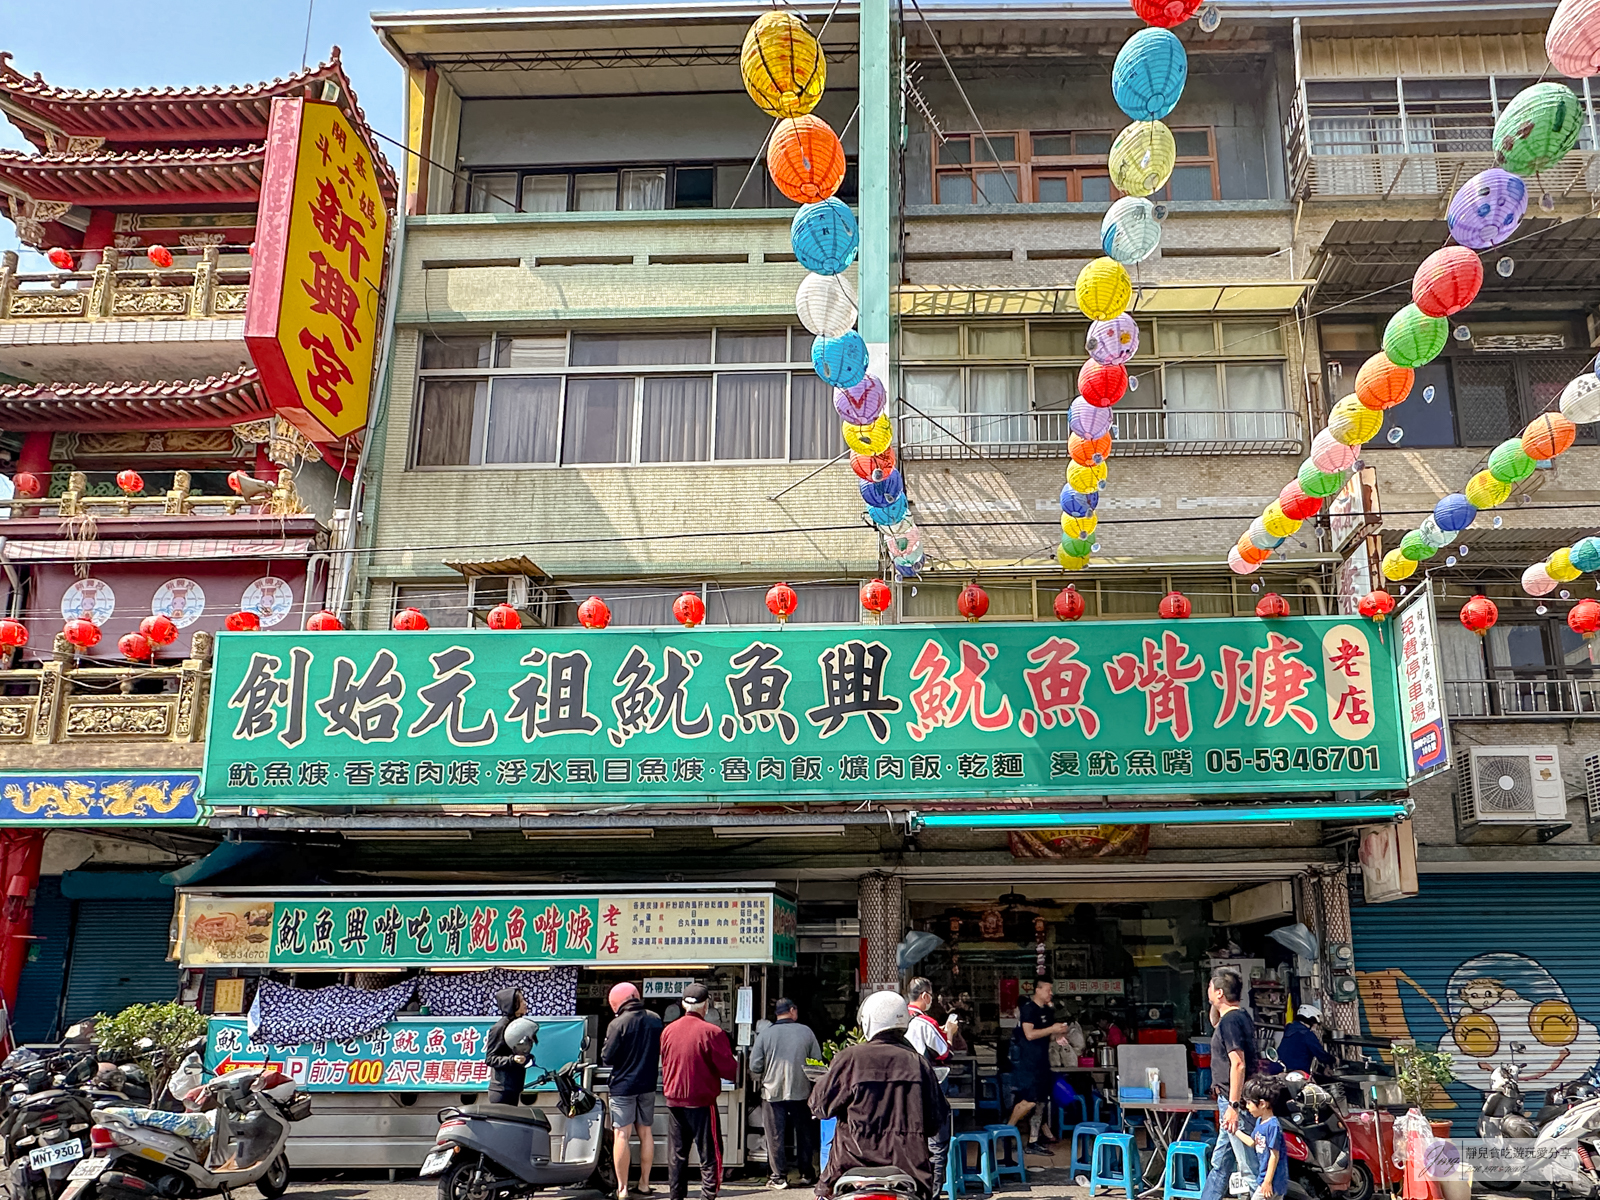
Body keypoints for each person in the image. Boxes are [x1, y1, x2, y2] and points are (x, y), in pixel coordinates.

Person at [809, 991, 949, 1200]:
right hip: (909, 1171)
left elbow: (819, 1107)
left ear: (868, 1022)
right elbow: (935, 1120)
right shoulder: (917, 1062)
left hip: (849, 1167)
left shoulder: (850, 1058)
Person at [660, 983, 739, 1200]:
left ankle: (676, 1197)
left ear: (683, 1005)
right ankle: (707, 1196)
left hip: (674, 1100)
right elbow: (729, 1069)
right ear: (706, 1006)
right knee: (710, 1153)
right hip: (702, 1100)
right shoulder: (712, 1032)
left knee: (677, 1155)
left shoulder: (668, 1031)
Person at [1199, 971, 1261, 1200]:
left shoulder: (1232, 1021)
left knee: (1248, 1166)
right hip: (1229, 1099)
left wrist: (1234, 1107)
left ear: (1220, 992)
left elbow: (1238, 1064)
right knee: (1221, 1162)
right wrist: (1215, 1002)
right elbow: (1214, 1020)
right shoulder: (1236, 1016)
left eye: (1210, 988)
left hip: (1236, 1100)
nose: (1207, 991)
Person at [749, 999, 822, 1190]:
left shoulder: (766, 1034)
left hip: (772, 1092)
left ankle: (778, 1177)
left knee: (775, 1135)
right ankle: (806, 1173)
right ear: (792, 1010)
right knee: (804, 1133)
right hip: (801, 1091)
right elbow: (817, 1062)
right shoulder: (806, 1032)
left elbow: (754, 1065)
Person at [604, 982, 664, 1200]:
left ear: (616, 1003)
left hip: (623, 1086)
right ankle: (645, 1184)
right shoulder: (655, 1019)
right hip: (648, 1083)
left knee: (622, 1133)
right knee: (646, 1131)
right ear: (636, 996)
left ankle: (622, 1189)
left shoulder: (617, 1024)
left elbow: (607, 1057)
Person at [904, 979, 954, 1196]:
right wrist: (950, 1031)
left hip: (901, 1093)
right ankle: (931, 1194)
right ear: (925, 996)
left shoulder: (898, 1019)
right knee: (937, 1145)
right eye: (930, 996)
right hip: (926, 1091)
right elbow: (944, 1053)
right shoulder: (925, 1023)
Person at [1007, 980, 1069, 1156]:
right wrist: (1051, 1029)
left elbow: (1048, 1034)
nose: (1051, 993)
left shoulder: (1048, 1011)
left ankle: (1033, 1140)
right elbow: (1030, 1034)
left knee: (1041, 1101)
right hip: (1029, 1063)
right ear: (1038, 990)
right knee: (1029, 1100)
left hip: (1043, 1061)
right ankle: (1006, 1131)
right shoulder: (1028, 1009)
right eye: (1048, 990)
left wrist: (1059, 1033)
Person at [1244, 1076, 1289, 1200]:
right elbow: (1252, 1142)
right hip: (1265, 1179)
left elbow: (1274, 1155)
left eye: (1249, 1103)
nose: (1247, 1107)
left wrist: (1267, 1182)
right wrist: (1234, 1131)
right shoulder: (1260, 1121)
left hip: (1273, 1181)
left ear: (1262, 1104)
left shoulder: (1273, 1126)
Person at [484, 987, 530, 1105]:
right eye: (521, 1001)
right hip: (501, 1089)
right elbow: (490, 1058)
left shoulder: (519, 1025)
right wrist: (512, 1060)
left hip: (514, 1087)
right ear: (512, 1004)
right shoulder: (500, 1027)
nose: (525, 1003)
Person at [1275, 1005, 1336, 1075]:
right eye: (1316, 1023)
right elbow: (1321, 1055)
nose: (1316, 1026)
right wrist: (1333, 1060)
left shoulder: (1290, 1029)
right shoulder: (1307, 1034)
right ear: (1311, 1020)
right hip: (1297, 1073)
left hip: (1281, 1070)